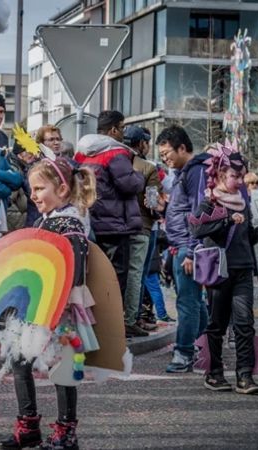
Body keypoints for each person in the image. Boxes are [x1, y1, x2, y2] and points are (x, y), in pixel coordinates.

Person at [0, 157, 99, 450]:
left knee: (63, 365)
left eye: (40, 188)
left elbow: (75, 269)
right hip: (37, 305)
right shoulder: (48, 220)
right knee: (21, 360)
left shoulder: (69, 224)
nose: (33, 195)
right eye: (32, 188)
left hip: (60, 306)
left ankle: (66, 431)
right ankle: (28, 426)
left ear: (63, 190)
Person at [189, 142, 258, 394]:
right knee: (217, 324)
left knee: (244, 324)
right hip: (218, 271)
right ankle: (214, 373)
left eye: (241, 175)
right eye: (233, 175)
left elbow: (247, 238)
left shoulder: (242, 202)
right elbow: (196, 229)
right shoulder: (210, 202)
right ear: (219, 175)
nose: (239, 180)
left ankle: (245, 376)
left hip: (242, 269)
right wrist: (225, 219)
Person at [74, 111, 146, 335]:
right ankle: (111, 327)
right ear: (114, 130)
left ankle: (94, 324)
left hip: (90, 223)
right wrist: (140, 175)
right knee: (116, 278)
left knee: (94, 276)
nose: (124, 133)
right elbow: (130, 185)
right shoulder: (115, 153)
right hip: (116, 225)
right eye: (122, 128)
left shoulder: (82, 153)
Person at [157, 125, 210, 373]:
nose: (165, 158)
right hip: (180, 246)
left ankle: (184, 352)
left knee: (187, 302)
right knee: (194, 302)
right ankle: (205, 345)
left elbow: (200, 210)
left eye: (167, 153)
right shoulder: (184, 172)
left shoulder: (196, 171)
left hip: (188, 248)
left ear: (182, 147)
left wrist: (192, 250)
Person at [123, 125, 161, 334]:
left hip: (116, 227)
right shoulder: (148, 168)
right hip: (142, 226)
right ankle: (131, 319)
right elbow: (152, 202)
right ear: (141, 144)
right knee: (137, 274)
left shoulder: (115, 161)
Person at [6, 138, 42, 231]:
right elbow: (9, 201)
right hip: (20, 221)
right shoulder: (13, 170)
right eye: (29, 152)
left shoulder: (27, 166)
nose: (33, 154)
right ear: (20, 155)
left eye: (34, 151)